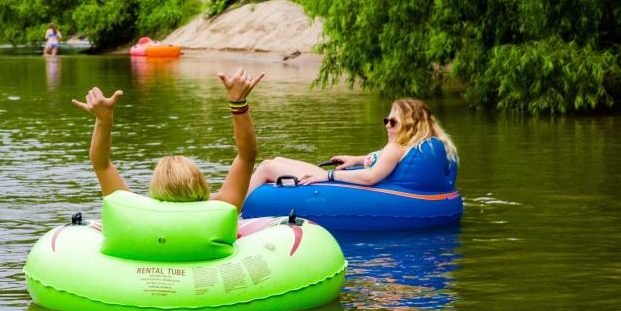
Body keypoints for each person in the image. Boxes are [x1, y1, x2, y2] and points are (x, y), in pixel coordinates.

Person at [72, 68, 265, 208]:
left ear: (155, 190)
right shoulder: (222, 209)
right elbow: (247, 155)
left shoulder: (133, 213)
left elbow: (101, 164)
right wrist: (238, 103)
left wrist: (104, 119)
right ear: (201, 185)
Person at [247, 98, 459, 191]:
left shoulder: (396, 149)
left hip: (334, 186)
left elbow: (371, 177)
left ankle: (234, 210)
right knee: (278, 160)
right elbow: (380, 161)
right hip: (345, 184)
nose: (387, 126)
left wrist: (328, 175)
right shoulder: (408, 148)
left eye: (393, 122)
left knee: (267, 166)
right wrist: (355, 160)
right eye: (386, 120)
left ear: (410, 126)